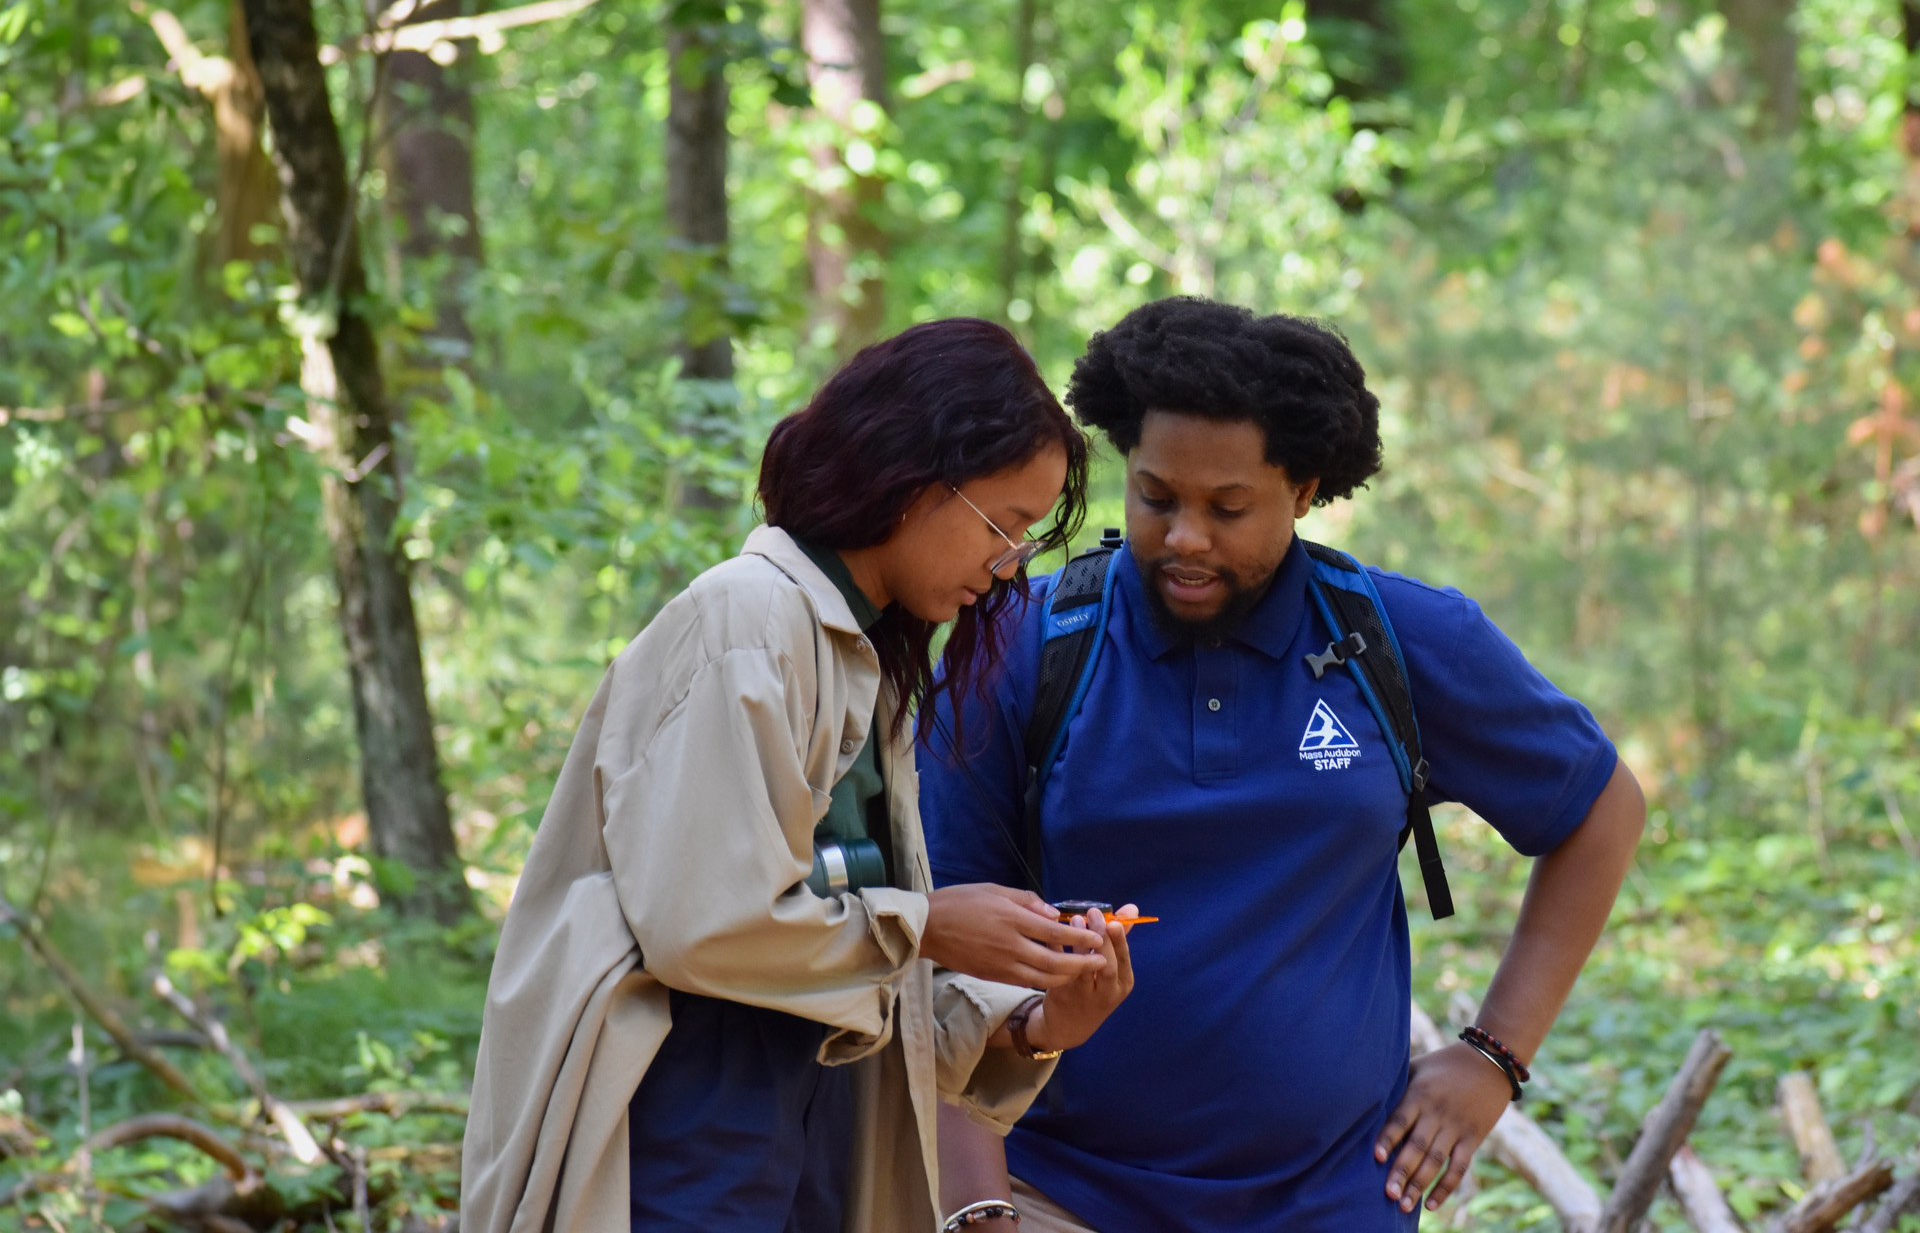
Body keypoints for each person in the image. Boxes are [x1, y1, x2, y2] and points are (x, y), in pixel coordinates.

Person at [921, 298, 1646, 1232]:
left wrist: (1492, 1057)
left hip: (1334, 1202)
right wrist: (978, 1208)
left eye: (1228, 508)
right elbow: (938, 951)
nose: (1186, 536)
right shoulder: (1022, 645)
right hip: (1058, 1191)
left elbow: (1600, 810)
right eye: (1156, 497)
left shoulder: (1401, 640)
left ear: (1303, 490)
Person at [460, 318, 1137, 1233]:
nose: (1006, 565)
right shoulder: (746, 624)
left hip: (809, 1116)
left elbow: (841, 956)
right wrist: (932, 924)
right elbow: (706, 928)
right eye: (1002, 525)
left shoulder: (869, 663)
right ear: (912, 477)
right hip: (694, 1114)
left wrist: (1032, 1018)